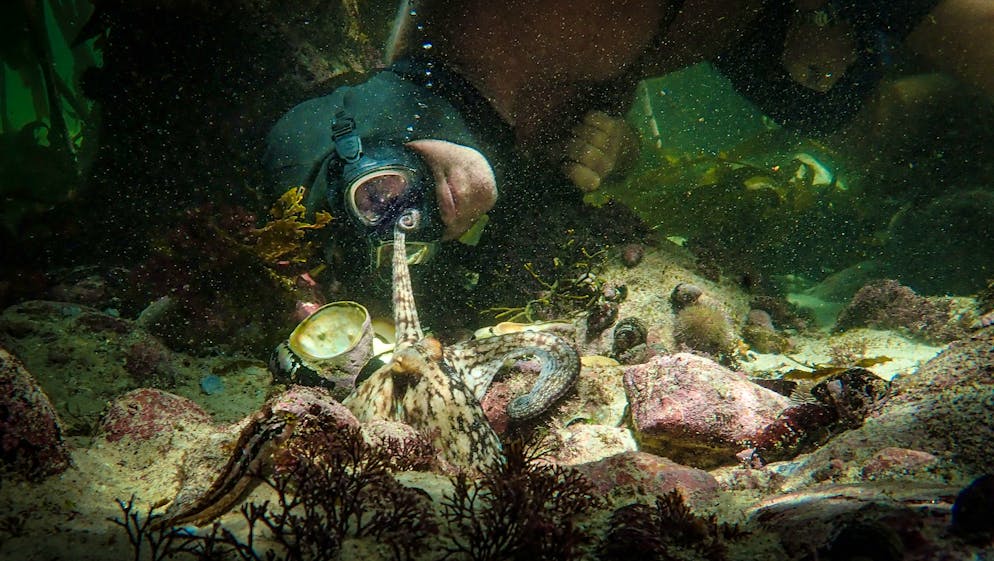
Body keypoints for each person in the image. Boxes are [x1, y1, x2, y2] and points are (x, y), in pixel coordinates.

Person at [264, 0, 994, 271]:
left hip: (783, 29)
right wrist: (379, 170)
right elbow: (348, 123)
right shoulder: (475, 46)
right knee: (846, 106)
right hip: (753, 41)